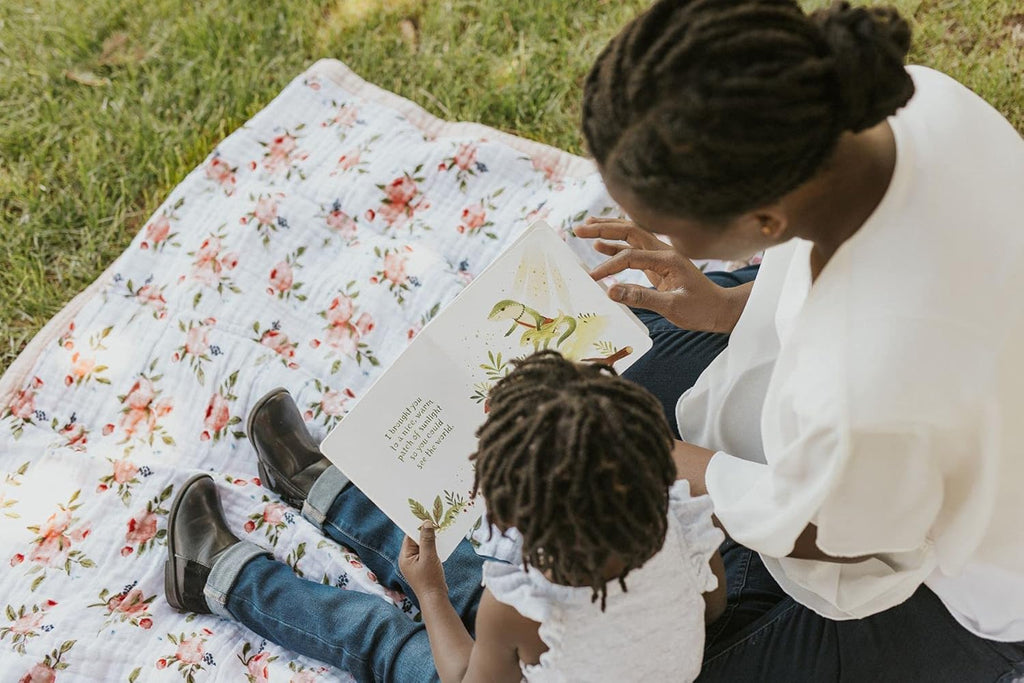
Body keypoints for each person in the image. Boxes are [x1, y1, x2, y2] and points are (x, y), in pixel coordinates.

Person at [574, 0, 1024, 680]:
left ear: (763, 219)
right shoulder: (912, 102)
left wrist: (663, 459)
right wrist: (728, 306)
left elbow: (842, 538)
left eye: (664, 222)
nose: (651, 232)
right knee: (604, 379)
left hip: (965, 575)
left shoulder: (870, 381)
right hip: (930, 425)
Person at [164, 352, 726, 682]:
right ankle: (318, 487)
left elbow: (464, 678)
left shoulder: (518, 610)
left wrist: (429, 595)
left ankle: (218, 576)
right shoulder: (681, 508)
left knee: (383, 635)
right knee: (444, 555)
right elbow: (714, 604)